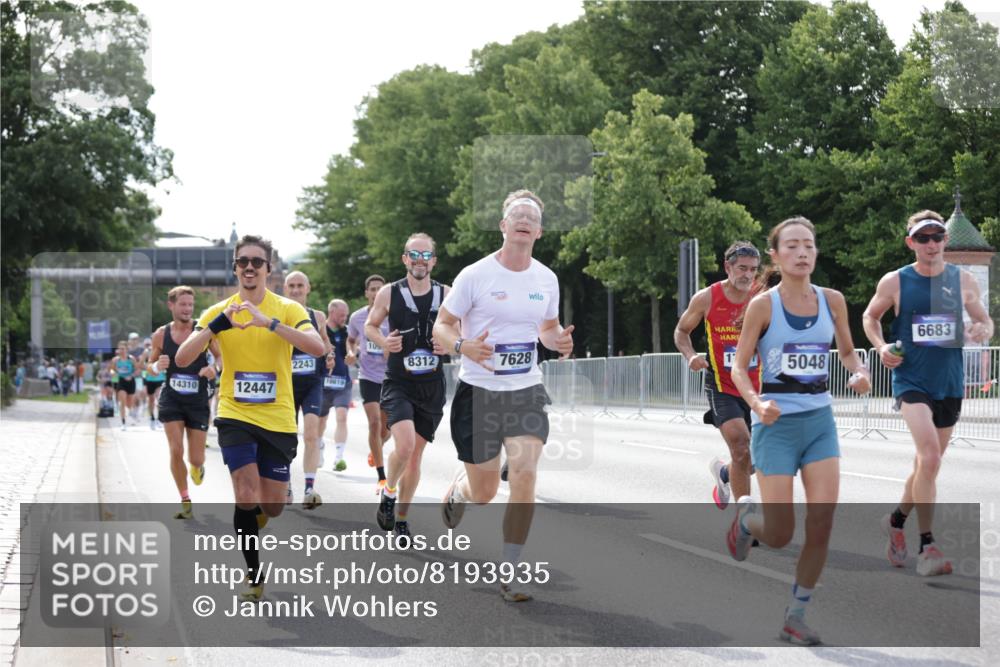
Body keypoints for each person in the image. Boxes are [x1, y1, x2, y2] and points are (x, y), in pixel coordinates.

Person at [729, 216, 871, 645]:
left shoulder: (833, 300)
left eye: (808, 245)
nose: (802, 252)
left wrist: (860, 371)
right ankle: (746, 520)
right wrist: (755, 403)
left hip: (818, 423)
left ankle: (796, 614)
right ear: (775, 255)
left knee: (823, 523)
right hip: (775, 427)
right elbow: (739, 366)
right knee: (779, 534)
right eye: (791, 246)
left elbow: (847, 351)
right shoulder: (763, 305)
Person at [433, 189, 574, 602]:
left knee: (526, 473)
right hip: (479, 392)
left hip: (526, 389)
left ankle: (510, 571)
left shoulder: (546, 278)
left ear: (540, 231)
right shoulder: (475, 275)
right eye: (517, 215)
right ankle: (460, 490)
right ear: (503, 226)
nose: (524, 220)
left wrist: (558, 341)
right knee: (485, 492)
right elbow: (443, 324)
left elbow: (547, 328)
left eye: (532, 216)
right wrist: (462, 347)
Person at [176, 235, 324, 601]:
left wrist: (269, 323)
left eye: (257, 262)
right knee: (244, 492)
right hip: (234, 413)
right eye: (243, 261)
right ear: (235, 268)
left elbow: (317, 347)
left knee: (273, 505)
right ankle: (254, 576)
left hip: (277, 418)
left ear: (269, 270)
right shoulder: (218, 312)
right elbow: (182, 358)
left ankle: (256, 516)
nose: (249, 267)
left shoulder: (287, 308)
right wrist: (216, 326)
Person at [862, 210, 993, 576]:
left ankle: (895, 521)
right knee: (930, 456)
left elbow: (984, 320)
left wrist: (985, 329)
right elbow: (870, 317)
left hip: (949, 383)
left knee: (926, 466)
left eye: (937, 237)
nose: (932, 244)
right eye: (924, 238)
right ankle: (928, 547)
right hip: (911, 380)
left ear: (945, 242)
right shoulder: (896, 281)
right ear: (911, 243)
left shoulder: (963, 279)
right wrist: (880, 345)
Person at [366, 233, 449, 544]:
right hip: (399, 382)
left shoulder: (447, 293)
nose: (420, 260)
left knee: (414, 459)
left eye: (426, 255)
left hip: (432, 387)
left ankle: (400, 518)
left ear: (433, 261)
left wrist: (450, 344)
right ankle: (388, 490)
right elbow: (371, 327)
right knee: (404, 447)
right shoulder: (389, 293)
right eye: (414, 254)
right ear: (404, 259)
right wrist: (385, 342)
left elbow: (464, 327)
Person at [674, 241, 761, 510]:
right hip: (722, 386)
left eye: (754, 270)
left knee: (758, 460)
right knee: (740, 447)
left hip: (759, 387)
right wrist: (691, 357)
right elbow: (681, 332)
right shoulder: (707, 298)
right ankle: (744, 517)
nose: (748, 275)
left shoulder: (763, 298)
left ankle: (725, 475)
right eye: (742, 268)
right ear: (728, 267)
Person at [149, 286, 220, 520]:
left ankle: (197, 467)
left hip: (198, 399)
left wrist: (213, 368)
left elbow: (220, 357)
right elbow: (149, 367)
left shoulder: (202, 331)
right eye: (183, 304)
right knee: (175, 448)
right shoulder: (161, 334)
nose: (188, 309)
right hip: (172, 398)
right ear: (171, 306)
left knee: (195, 458)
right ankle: (185, 499)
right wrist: (156, 366)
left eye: (191, 305)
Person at [282, 271, 332, 510]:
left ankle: (310, 489)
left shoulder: (318, 316)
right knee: (287, 439)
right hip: (285, 386)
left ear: (308, 288)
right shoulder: (278, 315)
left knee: (311, 435)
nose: (295, 289)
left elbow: (325, 343)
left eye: (300, 285)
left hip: (312, 383)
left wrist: (329, 355)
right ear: (284, 289)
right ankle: (286, 483)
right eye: (291, 285)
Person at [348, 275, 392, 493]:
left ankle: (377, 450)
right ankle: (382, 478)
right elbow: (351, 339)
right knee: (374, 424)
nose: (376, 293)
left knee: (387, 429)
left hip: (390, 378)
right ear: (367, 293)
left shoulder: (394, 317)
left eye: (380, 289)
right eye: (372, 289)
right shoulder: (357, 317)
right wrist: (350, 352)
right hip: (368, 377)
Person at [322, 299, 353, 474]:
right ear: (332, 312)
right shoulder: (321, 329)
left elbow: (351, 347)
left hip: (342, 382)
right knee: (321, 421)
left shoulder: (347, 331)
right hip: (323, 383)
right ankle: (319, 446)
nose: (344, 318)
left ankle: (339, 457)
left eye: (346, 315)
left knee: (342, 417)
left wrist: (351, 355)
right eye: (342, 315)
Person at [111, 343, 138, 429]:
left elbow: (137, 370)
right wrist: (113, 373)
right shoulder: (115, 360)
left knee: (129, 403)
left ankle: (128, 413)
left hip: (131, 381)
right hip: (121, 381)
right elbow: (112, 370)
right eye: (120, 349)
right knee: (122, 401)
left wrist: (131, 375)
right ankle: (123, 423)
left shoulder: (131, 359)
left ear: (127, 349)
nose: (121, 351)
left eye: (123, 349)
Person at [141, 337, 166, 430]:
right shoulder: (146, 352)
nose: (148, 345)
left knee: (159, 398)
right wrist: (147, 367)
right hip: (149, 379)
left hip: (160, 378)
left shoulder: (162, 350)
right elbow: (139, 365)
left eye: (149, 343)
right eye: (146, 344)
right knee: (151, 400)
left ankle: (160, 419)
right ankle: (152, 418)